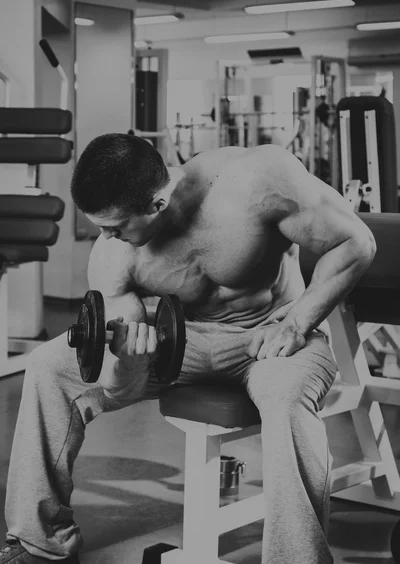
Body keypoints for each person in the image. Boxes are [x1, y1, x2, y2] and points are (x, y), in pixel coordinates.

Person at [1, 134, 376, 564]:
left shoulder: (257, 179)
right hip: (182, 343)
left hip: (269, 334)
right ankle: (37, 542)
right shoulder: (114, 255)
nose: (104, 236)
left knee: (288, 395)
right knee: (48, 365)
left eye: (116, 226)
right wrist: (130, 363)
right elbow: (117, 390)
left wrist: (297, 322)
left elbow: (355, 243)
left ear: (157, 204)